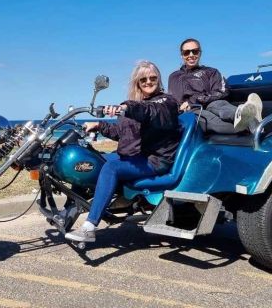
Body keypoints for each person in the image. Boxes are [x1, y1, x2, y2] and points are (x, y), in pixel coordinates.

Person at [65, 61, 181, 243]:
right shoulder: (137, 103)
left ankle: (89, 227)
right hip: (133, 155)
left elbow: (149, 112)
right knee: (88, 162)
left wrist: (126, 107)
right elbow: (122, 132)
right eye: (144, 79)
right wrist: (98, 125)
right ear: (137, 82)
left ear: (158, 79)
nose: (148, 82)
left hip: (155, 160)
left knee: (111, 168)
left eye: (153, 78)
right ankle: (68, 212)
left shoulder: (166, 101)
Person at [168, 38, 263, 134]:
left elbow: (223, 91)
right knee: (213, 122)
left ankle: (248, 113)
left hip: (212, 103)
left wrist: (200, 98)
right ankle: (252, 126)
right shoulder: (174, 77)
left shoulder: (212, 72)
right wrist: (182, 107)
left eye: (195, 51)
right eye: (187, 52)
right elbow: (173, 101)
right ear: (182, 55)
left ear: (200, 53)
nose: (191, 55)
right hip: (194, 109)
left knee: (221, 107)